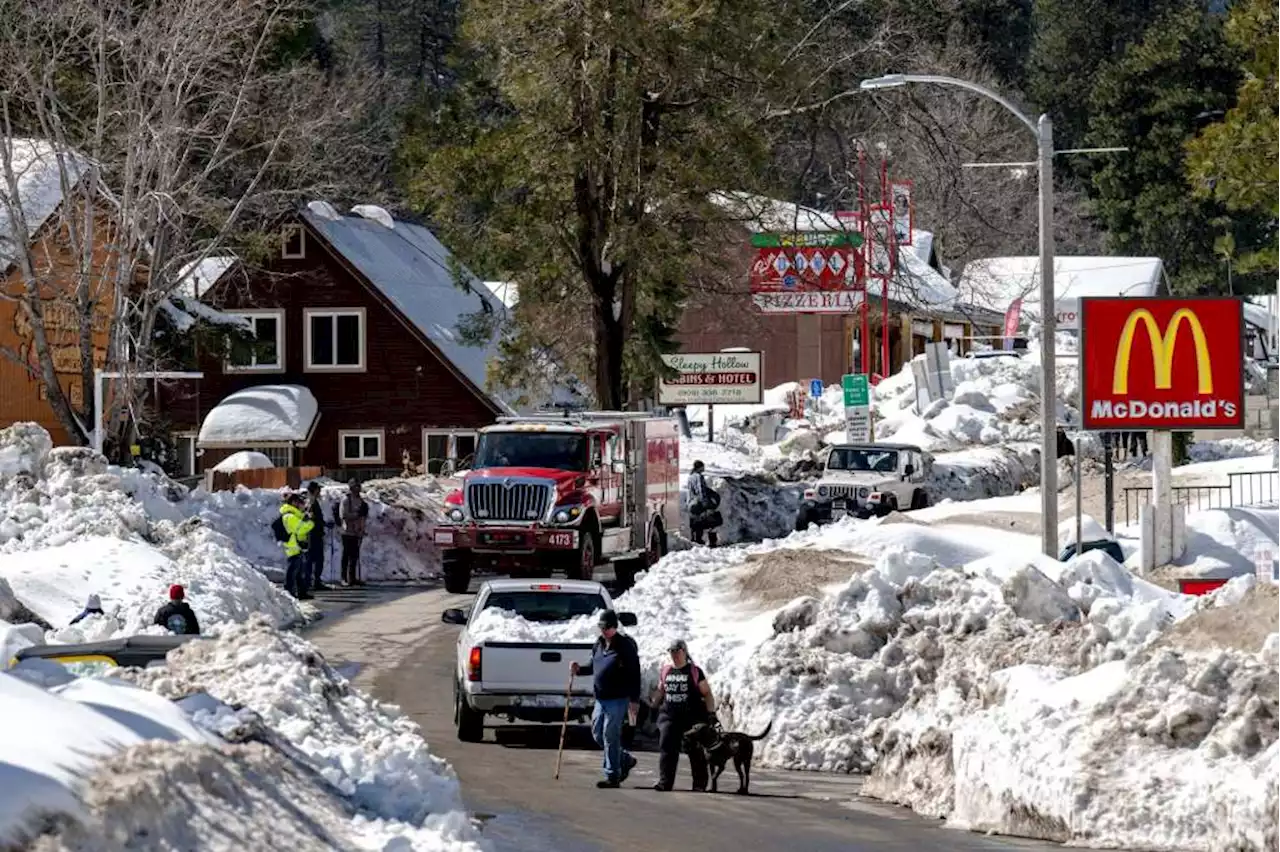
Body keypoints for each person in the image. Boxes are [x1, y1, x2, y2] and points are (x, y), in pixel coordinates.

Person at [570, 610, 641, 788]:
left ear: (614, 627)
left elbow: (635, 673)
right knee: (597, 734)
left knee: (610, 734)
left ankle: (612, 775)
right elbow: (592, 666)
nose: (604, 630)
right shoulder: (599, 644)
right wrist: (579, 669)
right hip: (601, 698)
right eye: (601, 627)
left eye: (607, 627)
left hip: (618, 698)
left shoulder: (625, 646)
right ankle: (624, 759)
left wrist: (634, 699)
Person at [650, 638, 717, 792]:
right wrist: (653, 706)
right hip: (669, 717)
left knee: (695, 750)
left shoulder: (694, 671)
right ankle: (665, 782)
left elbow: (707, 693)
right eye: (671, 651)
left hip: (691, 718)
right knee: (667, 747)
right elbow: (661, 691)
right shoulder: (666, 670)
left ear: (684, 652)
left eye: (677, 651)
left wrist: (711, 713)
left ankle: (699, 784)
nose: (674, 655)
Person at [280, 490, 316, 600]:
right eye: (300, 503)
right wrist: (310, 522)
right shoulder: (289, 516)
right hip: (293, 547)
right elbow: (300, 528)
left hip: (298, 546)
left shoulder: (294, 515)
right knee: (292, 572)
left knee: (300, 573)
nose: (302, 505)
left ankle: (301, 592)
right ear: (294, 503)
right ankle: (289, 591)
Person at [338, 480, 369, 586]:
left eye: (358, 487)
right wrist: (356, 514)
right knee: (346, 555)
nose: (358, 489)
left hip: (356, 532)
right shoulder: (346, 500)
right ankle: (344, 578)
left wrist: (361, 528)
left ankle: (352, 578)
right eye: (355, 487)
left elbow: (362, 516)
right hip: (347, 531)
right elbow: (344, 515)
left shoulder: (360, 501)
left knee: (354, 556)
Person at [687, 460, 722, 547]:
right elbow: (701, 490)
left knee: (697, 521)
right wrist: (706, 503)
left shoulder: (690, 477)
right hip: (698, 502)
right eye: (703, 467)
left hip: (691, 503)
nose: (704, 468)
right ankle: (712, 542)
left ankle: (696, 540)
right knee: (712, 520)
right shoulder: (699, 476)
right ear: (700, 467)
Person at [305, 481, 331, 591]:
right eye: (318, 489)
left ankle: (311, 580)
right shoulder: (312, 502)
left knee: (313, 559)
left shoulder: (311, 501)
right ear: (315, 490)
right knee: (315, 558)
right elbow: (313, 519)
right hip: (314, 534)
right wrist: (322, 524)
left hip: (314, 533)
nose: (319, 491)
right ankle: (313, 581)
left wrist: (324, 524)